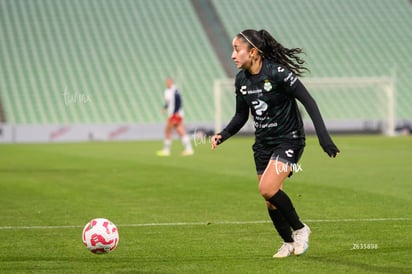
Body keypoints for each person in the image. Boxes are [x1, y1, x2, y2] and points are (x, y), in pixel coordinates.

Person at [211, 29, 339, 258]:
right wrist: (224, 134)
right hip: (263, 144)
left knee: (267, 188)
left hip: (289, 139)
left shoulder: (278, 73)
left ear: (253, 52)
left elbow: (308, 101)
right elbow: (241, 115)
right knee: (270, 199)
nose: (233, 55)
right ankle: (287, 242)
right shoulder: (241, 80)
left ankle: (300, 229)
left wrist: (323, 136)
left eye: (237, 49)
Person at [157, 77, 194, 156]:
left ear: (171, 82)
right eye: (166, 82)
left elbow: (179, 100)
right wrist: (165, 108)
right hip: (173, 113)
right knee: (180, 131)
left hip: (176, 114)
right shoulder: (167, 91)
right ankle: (189, 149)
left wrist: (176, 111)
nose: (167, 83)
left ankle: (166, 150)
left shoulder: (175, 90)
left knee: (168, 130)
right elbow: (168, 102)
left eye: (168, 82)